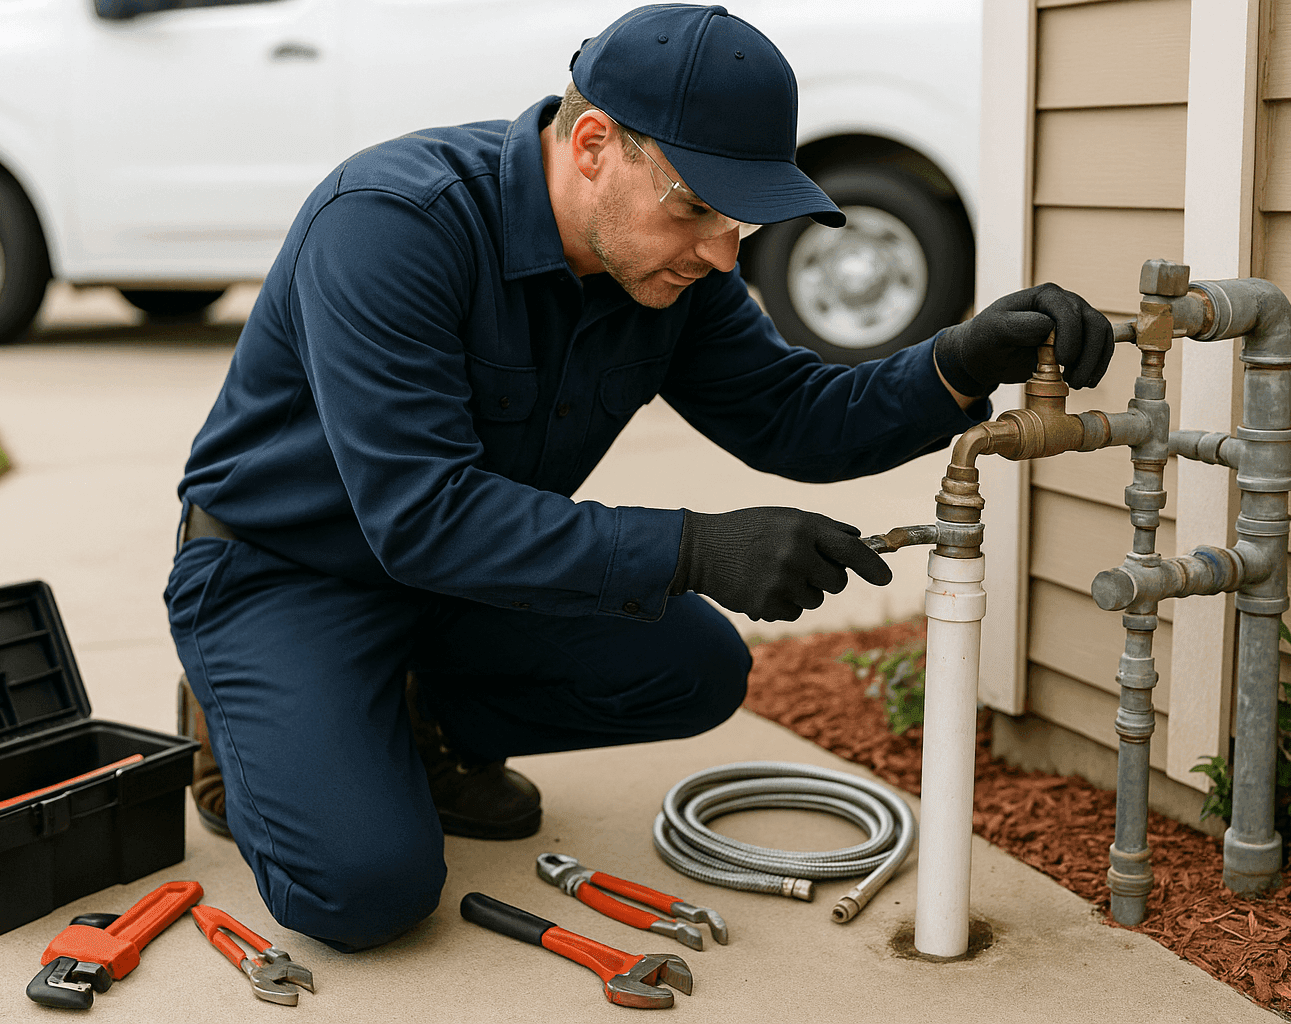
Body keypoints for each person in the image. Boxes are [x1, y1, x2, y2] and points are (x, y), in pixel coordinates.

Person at [165, 3, 1113, 953]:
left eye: (738, 218)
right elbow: (422, 516)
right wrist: (696, 547)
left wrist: (957, 361)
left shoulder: (667, 269)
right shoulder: (392, 226)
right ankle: (239, 714)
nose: (719, 252)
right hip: (285, 573)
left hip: (462, 583)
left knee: (693, 670)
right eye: (696, 206)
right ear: (592, 144)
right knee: (366, 892)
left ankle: (407, 718)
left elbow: (792, 415)